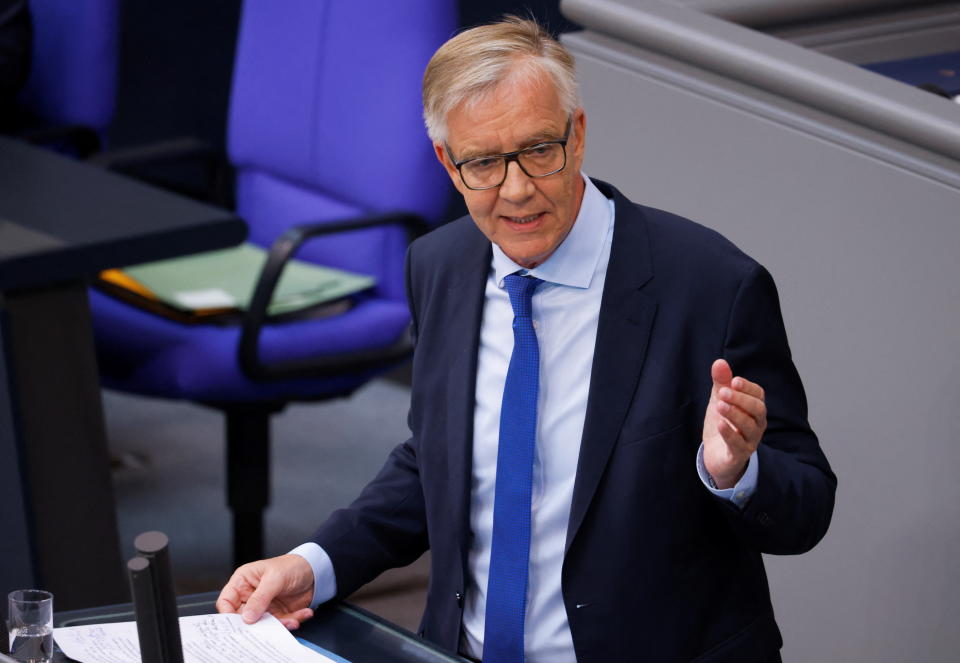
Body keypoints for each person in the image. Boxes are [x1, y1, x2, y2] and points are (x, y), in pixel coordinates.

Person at [217, 17, 836, 663]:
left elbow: (807, 506)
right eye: (484, 162)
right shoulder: (439, 265)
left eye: (539, 150)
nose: (516, 189)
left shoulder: (711, 285)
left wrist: (733, 472)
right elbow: (436, 463)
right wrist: (314, 563)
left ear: (579, 134)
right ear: (447, 164)